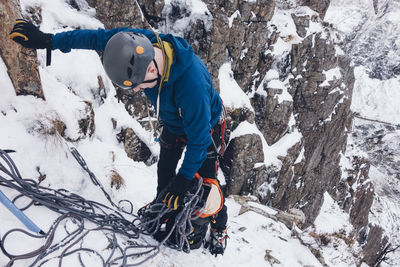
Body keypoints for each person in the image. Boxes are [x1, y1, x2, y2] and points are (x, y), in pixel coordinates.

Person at [9, 19, 228, 255]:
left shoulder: (191, 86)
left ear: (152, 69)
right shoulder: (135, 44)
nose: (135, 90)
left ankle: (219, 230)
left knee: (207, 188)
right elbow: (96, 39)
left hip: (206, 128)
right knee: (165, 173)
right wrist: (48, 41)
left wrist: (184, 180)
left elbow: (199, 140)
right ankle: (165, 215)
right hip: (175, 121)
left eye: (137, 85)